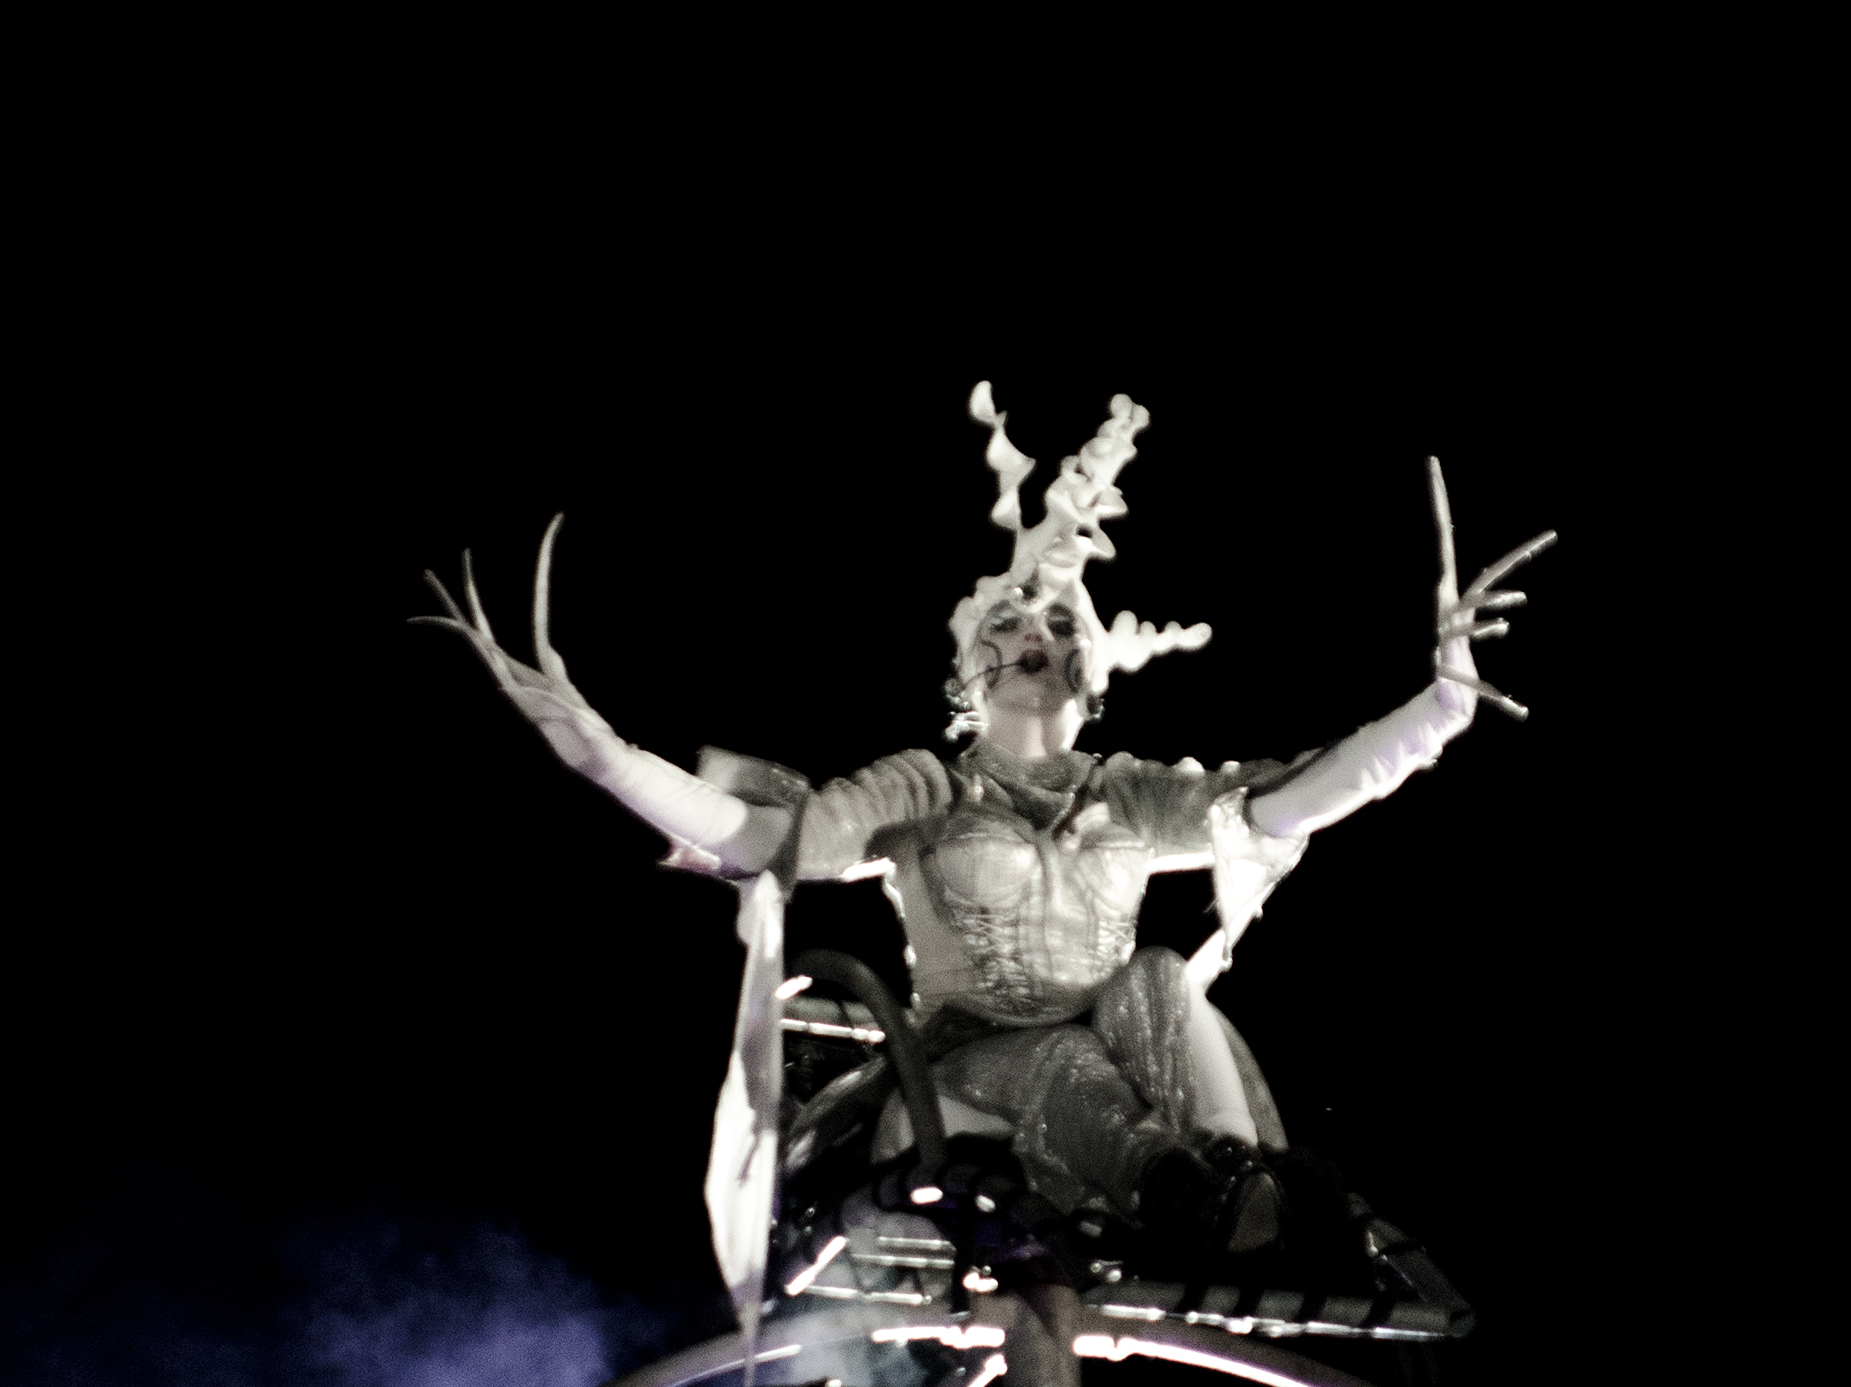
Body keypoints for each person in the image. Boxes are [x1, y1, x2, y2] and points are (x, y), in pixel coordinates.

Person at [422, 388, 1551, 1273]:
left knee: (1158, 975)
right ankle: (1191, 1197)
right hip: (964, 1080)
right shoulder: (926, 787)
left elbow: (1294, 799)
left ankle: (1240, 1186)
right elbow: (763, 837)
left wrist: (1438, 709)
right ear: (970, 671)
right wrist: (607, 758)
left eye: (1058, 616)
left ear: (1089, 665)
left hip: (1124, 1070)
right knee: (1060, 1052)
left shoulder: (1130, 792)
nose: (1035, 629)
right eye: (1009, 618)